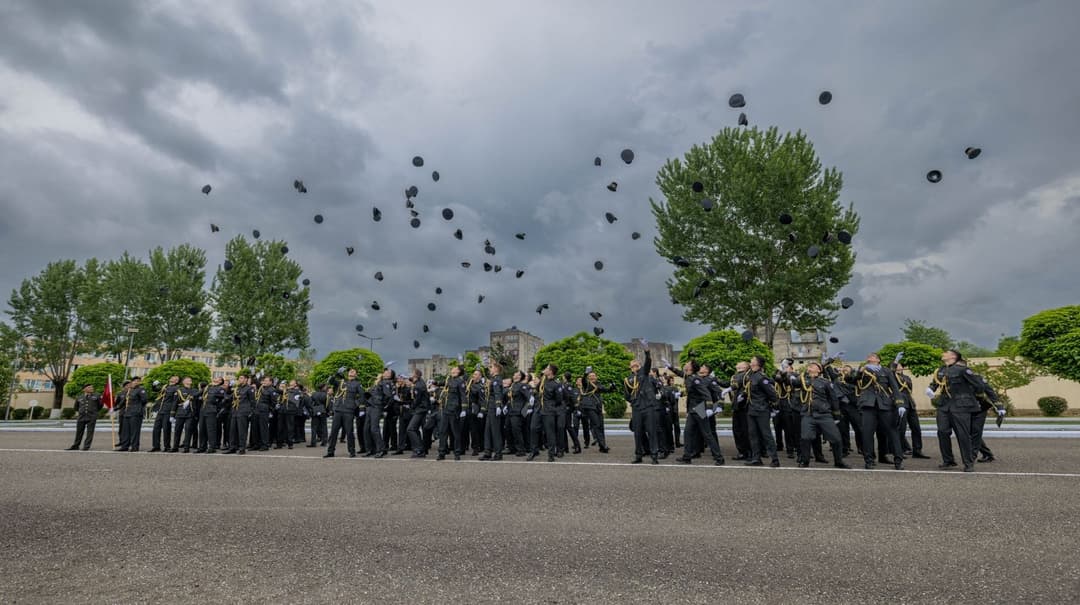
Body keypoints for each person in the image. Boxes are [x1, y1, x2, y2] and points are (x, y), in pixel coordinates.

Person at [929, 350, 996, 472]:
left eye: (946, 352)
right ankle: (948, 461)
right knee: (942, 432)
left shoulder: (963, 370)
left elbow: (979, 385)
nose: (943, 354)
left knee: (963, 434)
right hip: (944, 406)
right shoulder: (941, 370)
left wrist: (967, 394)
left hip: (961, 406)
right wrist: (930, 389)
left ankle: (968, 463)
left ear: (953, 356)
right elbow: (935, 383)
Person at [849, 353, 906, 470]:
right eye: (869, 356)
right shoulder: (863, 370)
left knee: (892, 432)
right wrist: (860, 371)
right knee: (867, 433)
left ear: (878, 360)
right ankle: (869, 460)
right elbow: (851, 379)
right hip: (868, 405)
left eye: (873, 356)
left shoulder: (886, 371)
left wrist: (900, 404)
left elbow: (894, 388)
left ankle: (898, 460)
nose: (870, 356)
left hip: (885, 404)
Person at [790, 362, 850, 469]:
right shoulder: (803, 380)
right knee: (805, 438)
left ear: (819, 370)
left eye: (814, 366)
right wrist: (790, 372)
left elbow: (833, 398)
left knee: (836, 438)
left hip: (824, 414)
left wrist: (836, 414)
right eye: (809, 365)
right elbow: (792, 383)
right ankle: (805, 461)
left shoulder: (825, 382)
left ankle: (839, 461)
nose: (810, 366)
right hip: (808, 414)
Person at [670, 360, 725, 466]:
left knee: (707, 434)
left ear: (691, 367)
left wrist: (709, 407)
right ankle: (687, 457)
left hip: (700, 409)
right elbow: (682, 377)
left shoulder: (696, 379)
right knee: (687, 433)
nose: (685, 364)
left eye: (688, 363)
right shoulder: (689, 377)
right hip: (693, 409)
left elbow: (706, 393)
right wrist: (670, 367)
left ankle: (719, 457)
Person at [741, 355, 780, 467]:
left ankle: (775, 459)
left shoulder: (762, 377)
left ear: (757, 363)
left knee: (766, 435)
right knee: (753, 435)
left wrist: (774, 407)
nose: (750, 362)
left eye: (752, 360)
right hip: (751, 409)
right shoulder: (751, 375)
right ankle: (756, 458)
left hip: (762, 410)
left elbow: (772, 394)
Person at [625, 346, 660, 465]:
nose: (634, 366)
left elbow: (648, 362)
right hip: (637, 408)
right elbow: (627, 395)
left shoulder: (644, 373)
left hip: (648, 406)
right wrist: (634, 401)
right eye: (632, 365)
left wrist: (647, 352)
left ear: (639, 366)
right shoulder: (628, 379)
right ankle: (639, 455)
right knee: (638, 432)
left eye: (636, 364)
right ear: (630, 367)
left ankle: (654, 455)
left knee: (651, 431)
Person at [894, 362, 930, 459]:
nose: (899, 367)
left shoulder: (907, 377)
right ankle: (900, 450)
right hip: (900, 404)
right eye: (897, 366)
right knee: (901, 428)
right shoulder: (892, 377)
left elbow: (909, 389)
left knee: (916, 428)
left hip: (910, 403)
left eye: (900, 366)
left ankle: (917, 450)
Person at [529, 364, 564, 462]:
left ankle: (551, 454)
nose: (544, 370)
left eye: (547, 368)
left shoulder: (556, 384)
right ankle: (534, 451)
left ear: (551, 371)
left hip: (549, 410)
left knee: (550, 432)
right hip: (538, 409)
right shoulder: (542, 381)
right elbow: (537, 391)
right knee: (533, 429)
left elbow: (559, 399)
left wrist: (551, 406)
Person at [325, 368, 362, 458]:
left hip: (349, 410)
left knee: (349, 432)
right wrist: (336, 373)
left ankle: (352, 451)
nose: (351, 371)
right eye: (350, 371)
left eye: (353, 371)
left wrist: (355, 404)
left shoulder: (357, 384)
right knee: (334, 432)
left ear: (356, 374)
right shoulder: (341, 382)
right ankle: (330, 451)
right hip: (338, 409)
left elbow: (362, 396)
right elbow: (330, 381)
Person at [437, 365, 467, 461]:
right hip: (446, 409)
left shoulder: (460, 381)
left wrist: (464, 409)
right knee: (443, 432)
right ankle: (441, 452)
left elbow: (463, 396)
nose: (452, 369)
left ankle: (457, 453)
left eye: (454, 368)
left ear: (458, 371)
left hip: (454, 410)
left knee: (455, 433)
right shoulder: (449, 379)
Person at [578, 369, 611, 453]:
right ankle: (603, 445)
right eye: (590, 376)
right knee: (596, 425)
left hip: (598, 408)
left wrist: (611, 387)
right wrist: (585, 374)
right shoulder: (587, 384)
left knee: (601, 426)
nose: (592, 377)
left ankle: (602, 446)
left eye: (593, 376)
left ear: (596, 377)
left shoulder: (598, 384)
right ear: (588, 378)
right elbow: (583, 380)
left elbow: (606, 389)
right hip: (590, 408)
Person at [365, 366, 394, 458]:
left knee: (374, 429)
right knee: (367, 429)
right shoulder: (379, 382)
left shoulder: (386, 382)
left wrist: (381, 404)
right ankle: (371, 449)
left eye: (388, 372)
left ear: (390, 376)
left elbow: (388, 395)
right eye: (385, 371)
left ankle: (381, 449)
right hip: (370, 406)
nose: (385, 372)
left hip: (376, 407)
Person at [481, 363, 505, 461]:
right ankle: (487, 452)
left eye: (491, 367)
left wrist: (498, 405)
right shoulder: (493, 379)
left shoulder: (497, 379)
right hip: (490, 407)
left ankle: (498, 453)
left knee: (495, 432)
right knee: (487, 431)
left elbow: (497, 393)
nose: (490, 369)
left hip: (494, 408)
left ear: (496, 369)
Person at [225, 375, 254, 455]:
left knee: (242, 431)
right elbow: (230, 397)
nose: (239, 379)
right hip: (235, 411)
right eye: (239, 378)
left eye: (241, 378)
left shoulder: (250, 388)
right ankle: (232, 447)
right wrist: (228, 389)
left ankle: (242, 448)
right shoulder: (237, 388)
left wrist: (250, 412)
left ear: (246, 379)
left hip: (243, 411)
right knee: (232, 431)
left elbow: (252, 401)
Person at [67, 383, 102, 451]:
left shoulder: (97, 396)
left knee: (90, 432)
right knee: (79, 432)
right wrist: (81, 411)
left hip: (91, 416)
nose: (91, 388)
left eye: (91, 387)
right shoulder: (79, 397)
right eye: (89, 387)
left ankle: (86, 446)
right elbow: (76, 407)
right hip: (81, 417)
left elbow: (100, 405)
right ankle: (76, 445)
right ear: (84, 389)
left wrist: (94, 411)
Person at [151, 376, 181, 452]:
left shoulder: (177, 388)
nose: (172, 378)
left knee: (166, 429)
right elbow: (156, 390)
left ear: (177, 381)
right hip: (160, 410)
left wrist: (172, 413)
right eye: (172, 377)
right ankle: (156, 446)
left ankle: (167, 446)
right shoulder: (165, 386)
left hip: (168, 411)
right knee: (156, 429)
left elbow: (175, 401)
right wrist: (154, 385)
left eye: (175, 378)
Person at [729, 362, 752, 460]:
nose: (737, 364)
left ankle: (749, 453)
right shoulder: (735, 376)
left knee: (745, 431)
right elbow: (728, 384)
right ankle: (742, 452)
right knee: (737, 431)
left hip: (744, 407)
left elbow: (739, 384)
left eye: (740, 363)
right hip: (736, 407)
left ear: (745, 367)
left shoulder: (746, 375)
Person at [406, 371, 431, 457]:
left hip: (420, 409)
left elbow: (417, 400)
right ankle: (421, 449)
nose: (410, 375)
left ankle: (419, 449)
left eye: (412, 374)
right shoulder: (420, 383)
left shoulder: (418, 386)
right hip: (422, 409)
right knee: (416, 429)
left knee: (410, 429)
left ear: (415, 375)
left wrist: (411, 407)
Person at [196, 377, 225, 453]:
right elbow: (198, 394)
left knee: (211, 430)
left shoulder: (220, 389)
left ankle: (212, 447)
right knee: (202, 429)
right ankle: (202, 447)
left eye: (218, 379)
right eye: (215, 378)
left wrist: (217, 408)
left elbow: (222, 399)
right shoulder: (207, 387)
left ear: (220, 381)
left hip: (211, 410)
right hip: (203, 409)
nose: (215, 379)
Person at [120, 377, 147, 452]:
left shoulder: (141, 390)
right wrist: (115, 408)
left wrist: (137, 407)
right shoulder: (130, 390)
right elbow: (124, 401)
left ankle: (134, 446)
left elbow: (144, 400)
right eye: (134, 381)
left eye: (138, 381)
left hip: (136, 413)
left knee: (134, 431)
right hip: (127, 412)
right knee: (126, 431)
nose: (136, 382)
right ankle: (125, 446)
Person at [172, 377, 198, 453]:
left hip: (190, 413)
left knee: (188, 431)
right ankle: (175, 447)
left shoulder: (194, 390)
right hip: (180, 413)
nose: (190, 380)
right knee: (177, 431)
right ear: (183, 382)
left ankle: (186, 447)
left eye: (190, 379)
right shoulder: (179, 390)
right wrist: (172, 414)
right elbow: (175, 403)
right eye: (187, 379)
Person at [254, 376, 276, 451]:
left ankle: (265, 445)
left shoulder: (272, 390)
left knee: (263, 428)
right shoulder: (262, 388)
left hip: (264, 411)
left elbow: (274, 402)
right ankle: (257, 444)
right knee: (257, 428)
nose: (264, 382)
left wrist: (269, 410)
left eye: (266, 380)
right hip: (257, 410)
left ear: (271, 382)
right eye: (264, 380)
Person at [112, 380, 131, 451]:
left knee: (129, 429)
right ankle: (121, 441)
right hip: (122, 413)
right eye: (128, 385)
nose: (129, 386)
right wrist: (113, 408)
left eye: (130, 385)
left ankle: (128, 442)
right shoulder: (120, 393)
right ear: (125, 386)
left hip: (130, 413)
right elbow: (116, 403)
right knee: (121, 429)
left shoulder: (132, 392)